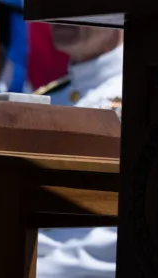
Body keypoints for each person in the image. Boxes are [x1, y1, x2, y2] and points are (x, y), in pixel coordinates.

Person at [33, 24, 124, 277]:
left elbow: (125, 230)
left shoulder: (139, 92)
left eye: (77, 0)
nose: (62, 15)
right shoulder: (47, 98)